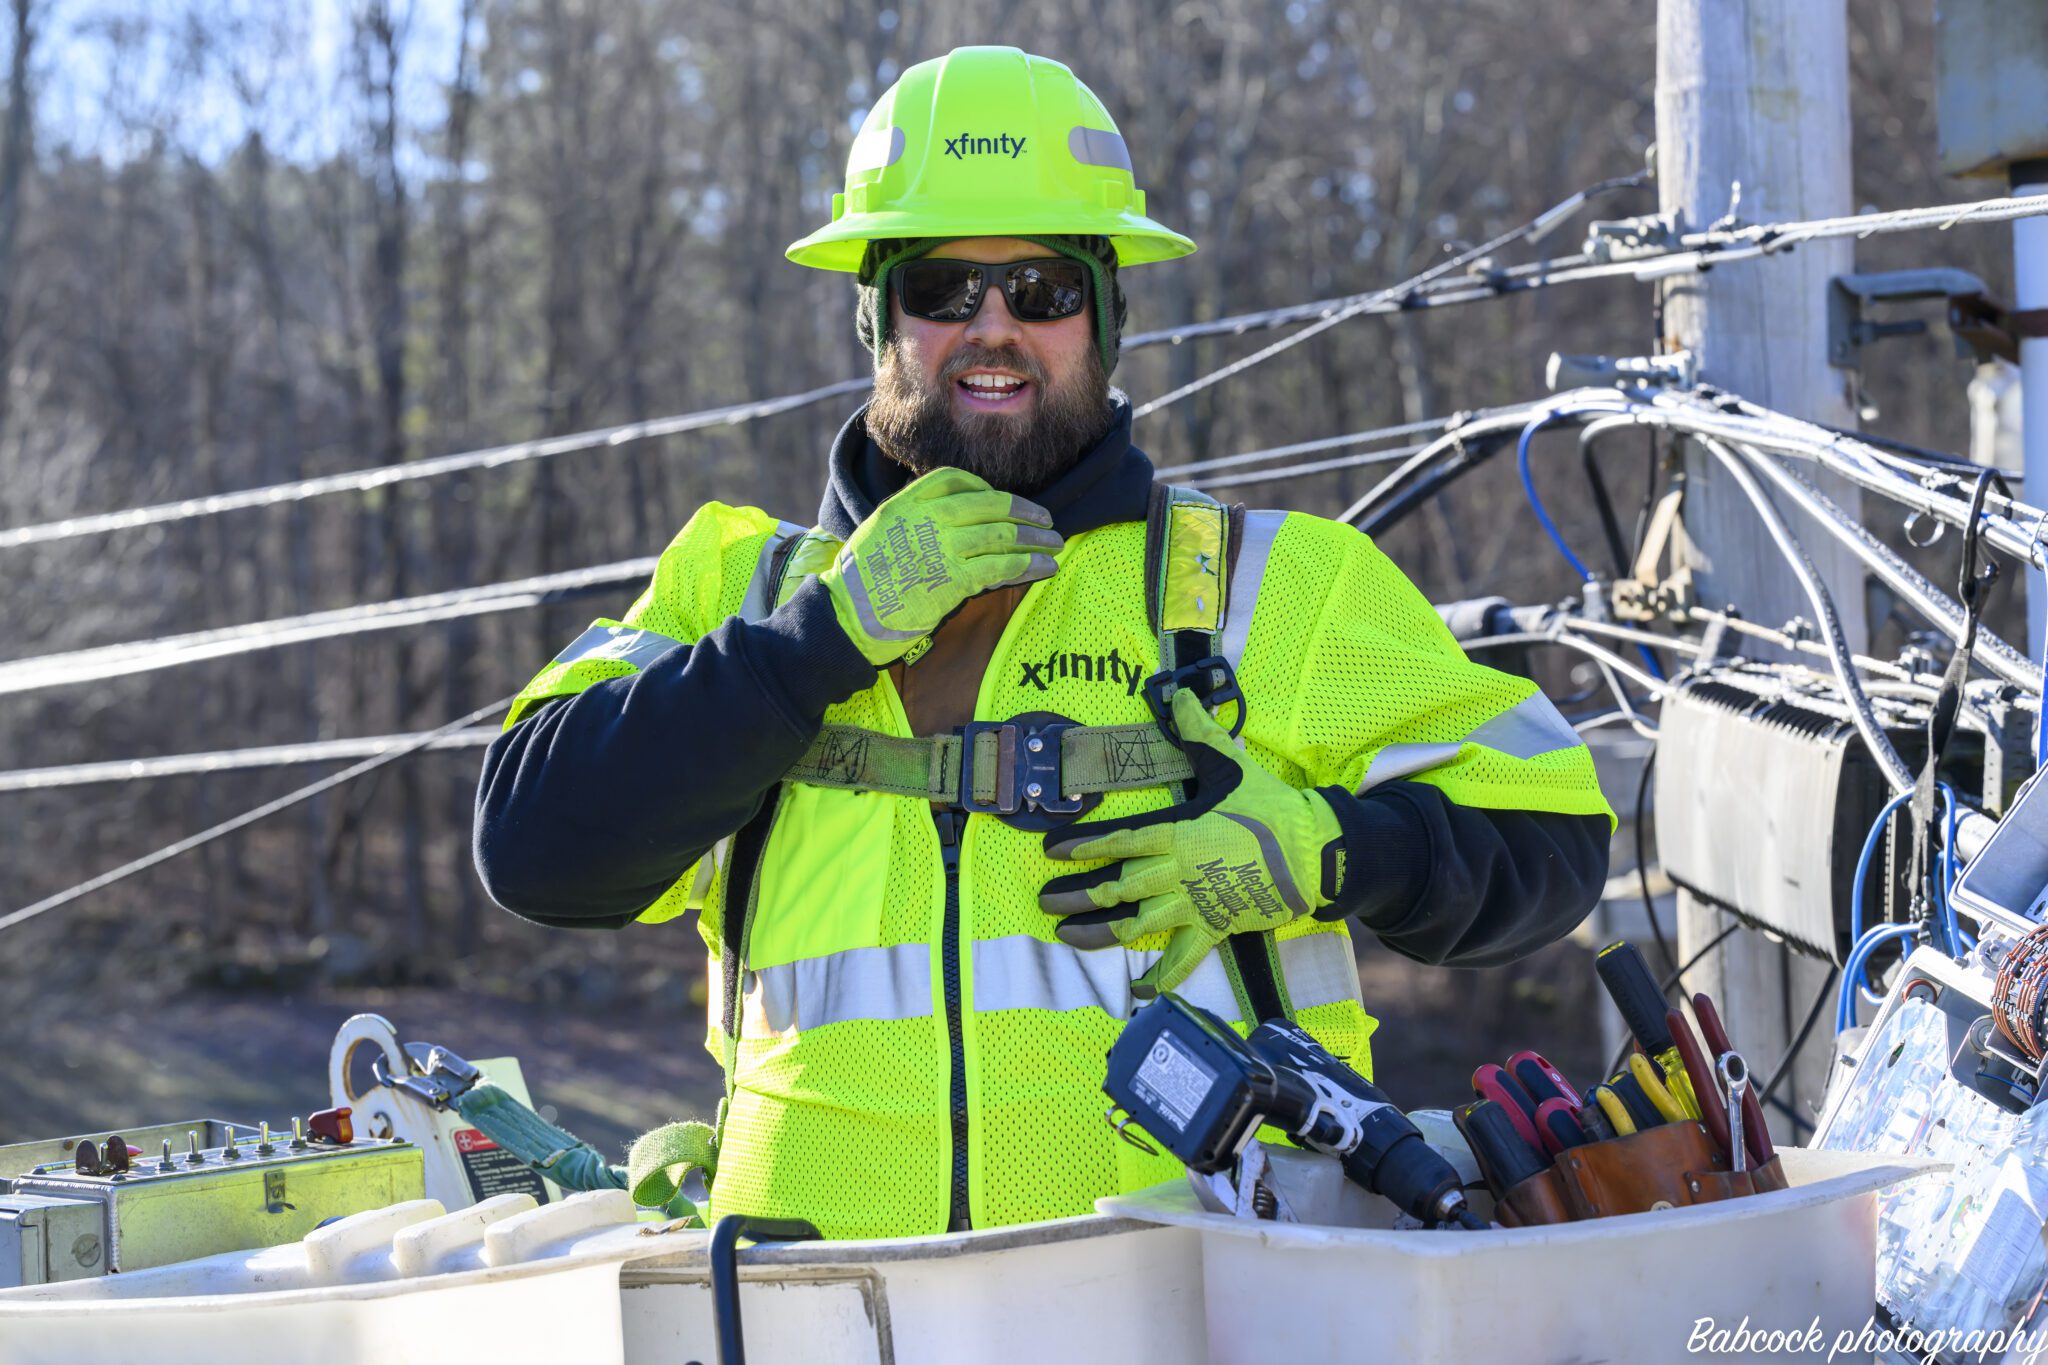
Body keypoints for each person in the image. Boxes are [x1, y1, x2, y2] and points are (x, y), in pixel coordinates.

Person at [473, 46, 1613, 1240]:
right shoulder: (736, 586)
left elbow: (1555, 836)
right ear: (875, 314)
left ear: (1107, 314)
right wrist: (816, 639)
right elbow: (534, 850)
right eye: (943, 291)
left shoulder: (1263, 589)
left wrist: (1337, 853)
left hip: (1200, 1303)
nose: (995, 330)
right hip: (825, 1308)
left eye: (1043, 288)